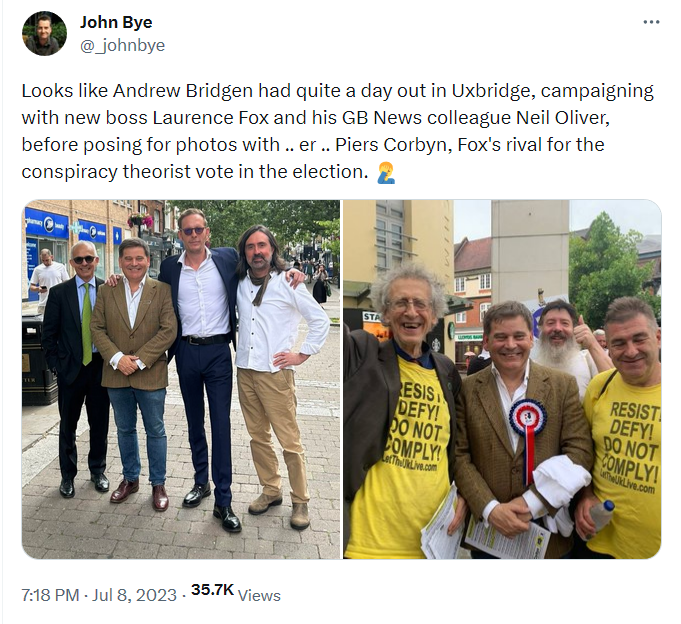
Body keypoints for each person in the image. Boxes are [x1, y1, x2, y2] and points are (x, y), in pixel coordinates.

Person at [157, 209, 303, 532]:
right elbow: (153, 300)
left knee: (220, 426)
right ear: (180, 235)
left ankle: (224, 500)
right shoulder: (169, 268)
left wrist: (293, 271)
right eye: (187, 231)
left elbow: (263, 261)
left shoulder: (225, 260)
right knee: (195, 422)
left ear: (207, 233)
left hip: (220, 353)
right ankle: (201, 483)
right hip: (185, 352)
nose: (194, 236)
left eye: (199, 230)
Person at [344, 263, 466, 558]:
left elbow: (460, 447)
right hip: (373, 544)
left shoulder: (447, 372)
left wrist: (464, 493)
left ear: (434, 315)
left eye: (420, 304)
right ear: (385, 313)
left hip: (433, 542)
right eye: (400, 303)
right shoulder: (364, 353)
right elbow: (328, 332)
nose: (411, 312)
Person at [454, 301, 593, 558]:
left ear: (531, 338)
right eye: (500, 337)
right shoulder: (467, 389)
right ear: (486, 342)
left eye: (519, 336)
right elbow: (460, 456)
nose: (510, 345)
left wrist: (531, 503)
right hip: (488, 535)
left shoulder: (563, 386)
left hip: (548, 534)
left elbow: (580, 451)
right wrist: (490, 508)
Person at [235, 225, 330, 530]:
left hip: (275, 375)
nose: (257, 252)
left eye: (262, 246)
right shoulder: (239, 281)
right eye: (251, 247)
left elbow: (320, 320)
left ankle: (300, 500)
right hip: (246, 370)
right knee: (258, 437)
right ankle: (271, 490)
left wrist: (301, 354)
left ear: (272, 250)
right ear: (244, 252)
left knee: (289, 441)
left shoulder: (288, 282)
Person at [91, 239, 177, 511]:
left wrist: (138, 361)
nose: (134, 263)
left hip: (149, 373)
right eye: (128, 258)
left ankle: (158, 483)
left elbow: (168, 330)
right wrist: (117, 358)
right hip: (116, 375)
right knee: (125, 429)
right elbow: (97, 328)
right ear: (120, 262)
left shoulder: (162, 290)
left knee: (156, 430)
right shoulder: (107, 290)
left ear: (148, 261)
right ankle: (131, 479)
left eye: (139, 258)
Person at [574, 297, 661, 559]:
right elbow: (583, 451)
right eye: (619, 343)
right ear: (608, 348)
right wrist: (585, 496)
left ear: (658, 337)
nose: (631, 350)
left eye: (639, 338)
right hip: (598, 541)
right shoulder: (599, 386)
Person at [41, 242, 110, 498]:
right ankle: (67, 476)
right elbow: (48, 335)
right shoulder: (59, 293)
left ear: (96, 260)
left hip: (100, 369)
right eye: (79, 260)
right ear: (71, 263)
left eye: (89, 259)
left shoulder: (108, 289)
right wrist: (56, 365)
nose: (84, 264)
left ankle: (97, 471)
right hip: (70, 370)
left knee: (99, 424)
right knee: (68, 425)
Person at [533, 299, 613, 399]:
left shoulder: (588, 359)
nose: (557, 328)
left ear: (575, 329)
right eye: (550, 323)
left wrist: (593, 344)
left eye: (565, 323)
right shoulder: (532, 368)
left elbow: (616, 385)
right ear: (540, 329)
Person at [29, 248, 69, 314]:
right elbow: (31, 287)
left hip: (58, 302)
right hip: (43, 304)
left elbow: (67, 282)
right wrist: (38, 288)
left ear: (51, 257)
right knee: (42, 323)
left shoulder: (60, 267)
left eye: (47, 260)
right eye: (43, 260)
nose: (45, 262)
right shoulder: (37, 269)